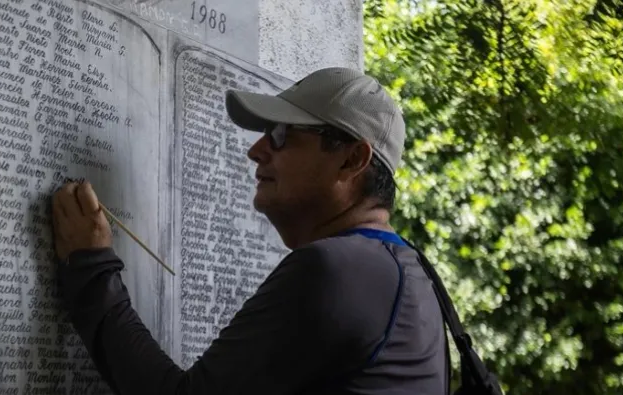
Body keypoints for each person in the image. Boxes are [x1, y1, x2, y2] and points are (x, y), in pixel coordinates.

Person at [50, 67, 446, 394]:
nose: (255, 150)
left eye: (281, 135)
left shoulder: (336, 269)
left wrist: (91, 268)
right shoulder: (412, 274)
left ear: (352, 160)